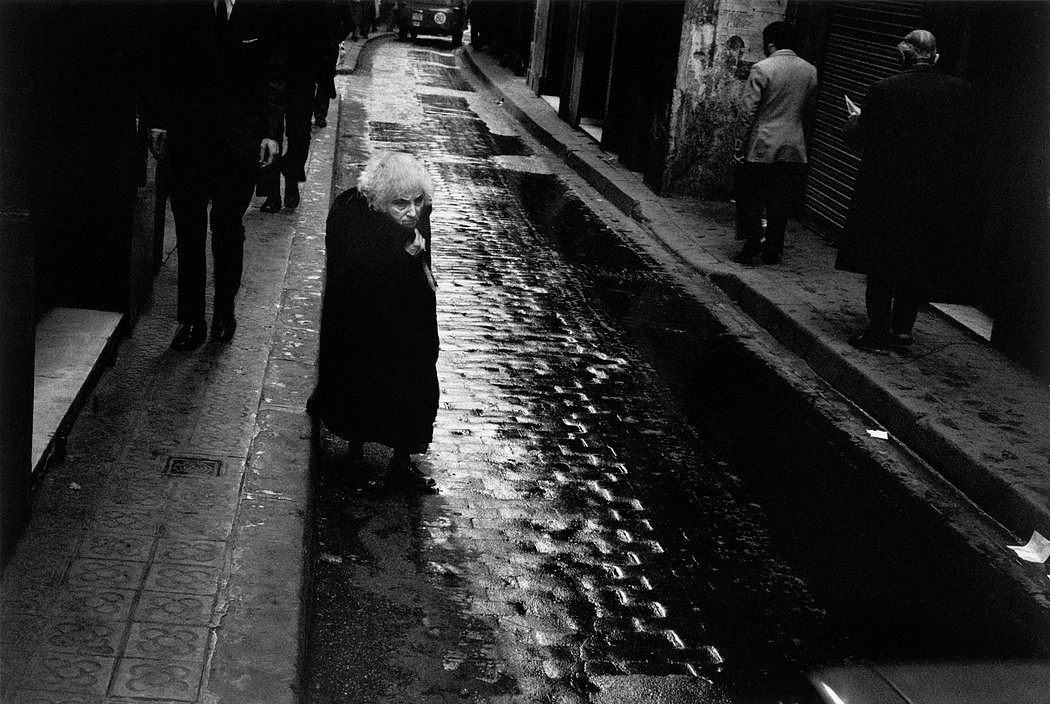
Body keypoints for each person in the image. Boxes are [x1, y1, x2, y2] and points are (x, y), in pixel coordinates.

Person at [144, 0, 286, 350]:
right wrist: (159, 119)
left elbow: (274, 72)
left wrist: (270, 132)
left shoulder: (263, 8)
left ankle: (224, 309)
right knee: (189, 229)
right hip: (189, 137)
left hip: (238, 142)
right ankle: (192, 319)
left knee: (227, 228)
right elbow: (163, 59)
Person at [836, 30, 982, 352]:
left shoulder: (885, 89)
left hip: (888, 195)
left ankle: (877, 332)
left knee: (881, 266)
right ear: (936, 57)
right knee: (914, 264)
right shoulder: (963, 91)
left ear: (902, 56)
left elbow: (861, 137)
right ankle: (902, 331)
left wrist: (853, 120)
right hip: (934, 196)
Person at [308, 151, 440, 490]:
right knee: (360, 378)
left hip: (407, 317)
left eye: (418, 202)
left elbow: (421, 262)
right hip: (362, 318)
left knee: (414, 379)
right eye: (401, 204)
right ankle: (354, 452)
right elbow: (351, 272)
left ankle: (401, 460)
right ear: (379, 201)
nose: (412, 212)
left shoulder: (414, 212)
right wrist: (402, 257)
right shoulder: (350, 212)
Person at [732, 20, 817, 265]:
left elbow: (748, 111)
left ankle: (753, 240)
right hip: (793, 144)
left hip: (763, 143)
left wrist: (739, 144)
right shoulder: (810, 70)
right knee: (780, 198)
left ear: (770, 44)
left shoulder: (762, 68)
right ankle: (773, 249)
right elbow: (806, 106)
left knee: (750, 193)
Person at [258, 0, 337, 213]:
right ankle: (272, 193)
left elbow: (327, 30)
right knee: (270, 131)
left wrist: (325, 69)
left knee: (300, 132)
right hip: (272, 69)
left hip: (303, 71)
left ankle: (291, 177)